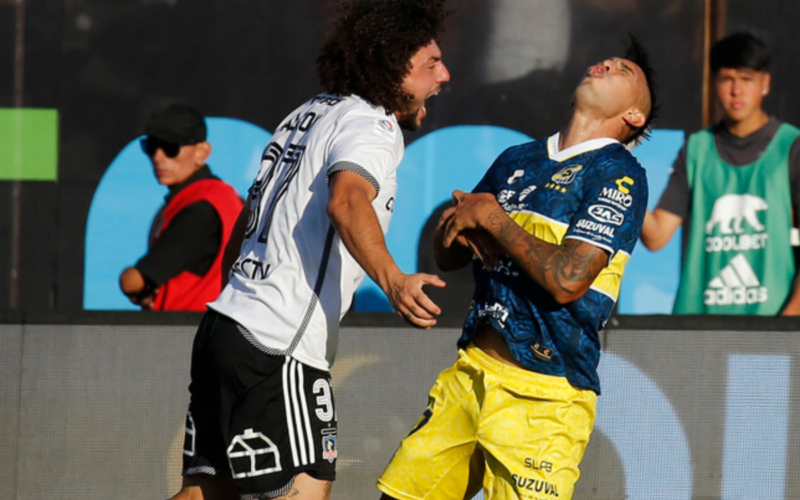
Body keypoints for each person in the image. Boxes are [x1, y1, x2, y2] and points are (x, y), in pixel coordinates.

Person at [168, 1, 452, 499]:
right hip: (276, 344)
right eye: (430, 64)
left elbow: (251, 216)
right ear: (390, 66)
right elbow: (347, 201)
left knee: (205, 495)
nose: (444, 75)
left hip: (225, 328)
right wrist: (394, 279)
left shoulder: (308, 112)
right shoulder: (372, 124)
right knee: (306, 490)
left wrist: (240, 300)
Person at [376, 36, 657, 500]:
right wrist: (456, 226)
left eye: (623, 70)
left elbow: (567, 280)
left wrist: (491, 220)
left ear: (634, 116)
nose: (605, 64)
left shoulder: (618, 173)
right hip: (470, 375)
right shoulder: (516, 161)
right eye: (604, 60)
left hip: (546, 397)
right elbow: (450, 252)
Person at [641, 32, 800, 315]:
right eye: (727, 79)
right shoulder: (696, 149)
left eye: (746, 79)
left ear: (765, 83)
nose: (736, 90)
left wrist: (787, 324)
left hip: (771, 326)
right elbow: (656, 237)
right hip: (699, 327)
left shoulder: (792, 146)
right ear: (714, 83)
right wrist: (622, 183)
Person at [119, 103, 243, 311]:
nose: (158, 157)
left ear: (202, 152)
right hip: (209, 327)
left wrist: (134, 283)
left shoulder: (201, 208)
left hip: (187, 332)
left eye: (170, 147)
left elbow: (135, 280)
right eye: (150, 146)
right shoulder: (225, 198)